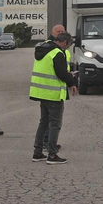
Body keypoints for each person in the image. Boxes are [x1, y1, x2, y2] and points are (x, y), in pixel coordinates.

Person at [30, 26, 78, 164]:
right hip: (53, 94)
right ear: (64, 42)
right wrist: (71, 81)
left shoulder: (44, 50)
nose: (67, 48)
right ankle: (52, 154)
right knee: (55, 125)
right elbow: (61, 73)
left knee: (43, 123)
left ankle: (37, 152)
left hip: (41, 93)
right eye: (67, 46)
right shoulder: (57, 53)